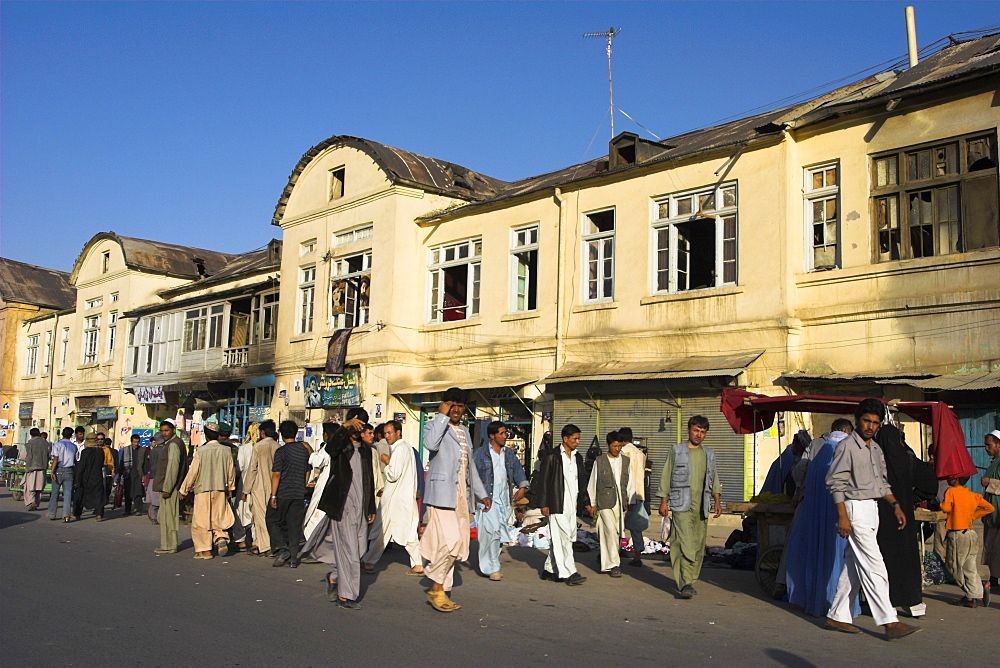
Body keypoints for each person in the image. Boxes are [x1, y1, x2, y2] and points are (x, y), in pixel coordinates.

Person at [825, 398, 920, 640]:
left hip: (873, 508)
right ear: (858, 420)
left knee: (853, 565)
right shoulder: (846, 446)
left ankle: (838, 615)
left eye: (875, 423)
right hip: (854, 508)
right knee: (875, 565)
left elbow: (881, 482)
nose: (870, 426)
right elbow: (836, 483)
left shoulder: (876, 449)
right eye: (866, 420)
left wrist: (895, 505)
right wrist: (842, 517)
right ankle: (889, 621)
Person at [420, 388, 491, 611]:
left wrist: (482, 494)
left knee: (460, 544)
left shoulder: (465, 432)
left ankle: (443, 591)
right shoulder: (434, 425)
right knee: (451, 543)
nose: (456, 409)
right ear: (444, 405)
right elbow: (430, 445)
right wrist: (441, 416)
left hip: (461, 494)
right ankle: (436, 588)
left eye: (460, 406)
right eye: (452, 405)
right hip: (441, 494)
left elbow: (469, 469)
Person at [301, 408, 376, 610]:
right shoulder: (341, 445)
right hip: (342, 505)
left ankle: (334, 576)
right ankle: (346, 595)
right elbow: (330, 448)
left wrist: (370, 507)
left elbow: (369, 479)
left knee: (359, 549)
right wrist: (344, 426)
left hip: (360, 507)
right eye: (355, 423)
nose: (357, 428)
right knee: (350, 551)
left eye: (361, 424)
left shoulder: (366, 450)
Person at [785, 427, 860, 618]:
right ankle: (836, 606)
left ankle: (815, 601)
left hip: (815, 522)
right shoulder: (836, 463)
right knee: (838, 562)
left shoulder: (817, 463)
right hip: (837, 521)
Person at [874, 423, 937, 616]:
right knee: (907, 557)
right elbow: (930, 485)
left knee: (882, 559)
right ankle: (913, 602)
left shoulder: (874, 460)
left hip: (880, 517)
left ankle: (886, 602)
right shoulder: (908, 460)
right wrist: (912, 499)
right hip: (904, 517)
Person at [658, 415, 721, 599]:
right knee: (684, 542)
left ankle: (691, 579)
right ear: (688, 430)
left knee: (698, 543)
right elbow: (666, 474)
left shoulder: (709, 454)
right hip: (680, 503)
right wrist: (663, 501)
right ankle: (685, 582)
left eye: (702, 432)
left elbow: (714, 478)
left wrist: (717, 500)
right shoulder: (676, 451)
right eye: (696, 430)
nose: (698, 435)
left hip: (702, 505)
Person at [362, 420, 424, 576]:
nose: (387, 436)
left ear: (398, 433)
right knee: (386, 531)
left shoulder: (399, 450)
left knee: (399, 531)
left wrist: (387, 462)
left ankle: (370, 561)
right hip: (400, 497)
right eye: (386, 433)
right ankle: (370, 561)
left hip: (396, 500)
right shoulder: (407, 448)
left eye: (390, 433)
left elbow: (394, 474)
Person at [472, 421, 528, 581]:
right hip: (486, 501)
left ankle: (492, 562)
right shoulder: (479, 454)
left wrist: (522, 487)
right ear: (492, 435)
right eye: (502, 433)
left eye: (506, 433)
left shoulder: (509, 454)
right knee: (489, 534)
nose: (505, 436)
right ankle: (491, 567)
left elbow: (518, 471)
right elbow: (471, 478)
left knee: (498, 534)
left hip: (503, 500)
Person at [534, 423, 588, 586]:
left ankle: (549, 569)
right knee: (563, 538)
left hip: (572, 504)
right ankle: (569, 572)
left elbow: (582, 481)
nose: (577, 442)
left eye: (578, 439)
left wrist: (586, 502)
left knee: (566, 537)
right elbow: (543, 482)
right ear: (565, 439)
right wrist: (544, 504)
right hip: (556, 503)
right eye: (574, 438)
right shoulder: (552, 456)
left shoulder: (578, 457)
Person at [179, 422, 236, 559]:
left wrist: (184, 489)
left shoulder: (201, 451)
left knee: (201, 520)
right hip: (220, 489)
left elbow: (193, 472)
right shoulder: (226, 451)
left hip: (203, 489)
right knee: (219, 516)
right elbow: (230, 471)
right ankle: (220, 537)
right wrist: (230, 487)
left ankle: (205, 550)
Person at [940, 475, 994, 607]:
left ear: (956, 480)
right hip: (971, 533)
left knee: (954, 567)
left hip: (958, 534)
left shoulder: (951, 491)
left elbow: (946, 508)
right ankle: (974, 593)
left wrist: (941, 503)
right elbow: (990, 508)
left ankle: (974, 591)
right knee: (969, 567)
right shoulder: (973, 495)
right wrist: (972, 516)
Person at [587, 430, 635, 578]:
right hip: (604, 502)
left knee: (618, 533)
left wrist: (631, 501)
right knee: (609, 531)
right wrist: (593, 503)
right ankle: (614, 564)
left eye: (620, 446)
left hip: (620, 503)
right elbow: (592, 483)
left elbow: (630, 482)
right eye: (615, 446)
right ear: (608, 445)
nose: (617, 449)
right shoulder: (599, 461)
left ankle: (606, 556)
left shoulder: (625, 461)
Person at [267, 420, 311, 568]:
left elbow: (276, 474)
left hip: (283, 492)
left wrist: (273, 495)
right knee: (294, 525)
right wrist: (303, 485)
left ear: (281, 434)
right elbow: (307, 470)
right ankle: (293, 558)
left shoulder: (281, 451)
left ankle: (281, 548)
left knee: (272, 519)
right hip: (298, 493)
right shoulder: (303, 450)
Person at [243, 420, 280, 556]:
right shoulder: (277, 446)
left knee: (260, 517)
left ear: (262, 433)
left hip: (259, 486)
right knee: (271, 516)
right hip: (275, 486)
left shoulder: (258, 446)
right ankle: (259, 543)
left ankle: (267, 547)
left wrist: (246, 490)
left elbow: (252, 469)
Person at [152, 419, 186, 554]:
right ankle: (168, 544)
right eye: (162, 431)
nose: (164, 433)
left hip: (169, 488)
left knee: (168, 518)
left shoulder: (173, 444)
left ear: (173, 430)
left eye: (166, 430)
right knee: (167, 517)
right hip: (170, 486)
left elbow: (173, 467)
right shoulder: (172, 443)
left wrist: (167, 488)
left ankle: (169, 545)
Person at [619, 427, 649, 566]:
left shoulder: (623, 452)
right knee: (635, 526)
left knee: (617, 523)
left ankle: (614, 551)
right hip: (639, 493)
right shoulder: (640, 454)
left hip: (625, 493)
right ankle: (637, 555)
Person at [980, 430, 1000, 607]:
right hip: (992, 513)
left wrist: (990, 483)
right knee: (993, 548)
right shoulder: (994, 463)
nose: (986, 448)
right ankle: (993, 579)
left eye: (989, 445)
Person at [72, 433, 111, 521]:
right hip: (97, 476)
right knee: (98, 496)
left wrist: (78, 478)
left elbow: (82, 466)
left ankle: (77, 513)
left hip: (86, 477)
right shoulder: (100, 451)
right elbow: (101, 464)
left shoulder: (85, 452)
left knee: (81, 496)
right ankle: (99, 514)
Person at [46, 427, 77, 521]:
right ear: (71, 435)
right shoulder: (74, 446)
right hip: (69, 470)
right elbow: (75, 459)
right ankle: (66, 515)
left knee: (55, 493)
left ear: (62, 434)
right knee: (68, 494)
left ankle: (52, 513)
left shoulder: (58, 445)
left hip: (59, 469)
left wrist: (52, 471)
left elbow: (55, 458)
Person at [118, 433, 148, 516]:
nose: (136, 444)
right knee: (128, 493)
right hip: (128, 474)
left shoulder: (142, 450)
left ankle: (138, 509)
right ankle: (127, 510)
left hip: (138, 473)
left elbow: (145, 463)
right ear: (131, 442)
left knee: (138, 492)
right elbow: (122, 463)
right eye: (134, 442)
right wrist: (120, 474)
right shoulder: (126, 450)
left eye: (137, 442)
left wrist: (145, 474)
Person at [21, 427, 49, 511]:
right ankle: (36, 502)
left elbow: (22, 456)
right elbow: (49, 454)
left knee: (30, 486)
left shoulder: (29, 443)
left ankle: (32, 501)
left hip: (31, 468)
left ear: (31, 435)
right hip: (42, 467)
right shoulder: (45, 443)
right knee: (39, 487)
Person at [145, 432, 164, 524]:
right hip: (162, 476)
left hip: (153, 475)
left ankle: (154, 517)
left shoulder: (153, 451)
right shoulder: (165, 450)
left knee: (154, 498)